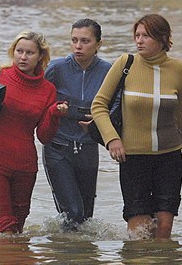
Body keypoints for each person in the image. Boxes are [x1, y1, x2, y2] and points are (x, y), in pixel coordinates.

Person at [91, 14, 182, 240]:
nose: (139, 40)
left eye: (146, 36)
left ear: (162, 39)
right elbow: (99, 105)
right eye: (137, 35)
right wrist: (112, 139)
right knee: (140, 234)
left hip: (169, 159)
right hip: (133, 159)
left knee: (163, 232)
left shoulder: (178, 69)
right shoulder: (125, 63)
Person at [0, 31, 68, 236]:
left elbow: (44, 136)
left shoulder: (47, 90)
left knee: (17, 228)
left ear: (40, 57)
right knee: (4, 225)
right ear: (13, 52)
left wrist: (54, 113)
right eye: (19, 51)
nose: (23, 57)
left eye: (29, 53)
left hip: (25, 167)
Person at [42, 19, 112, 231]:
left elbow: (117, 105)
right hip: (58, 148)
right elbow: (38, 98)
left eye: (85, 41)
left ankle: (80, 255)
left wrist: (99, 121)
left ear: (98, 44)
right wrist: (56, 110)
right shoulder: (56, 68)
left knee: (86, 219)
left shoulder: (108, 71)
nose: (78, 46)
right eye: (74, 40)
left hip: (89, 147)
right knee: (73, 212)